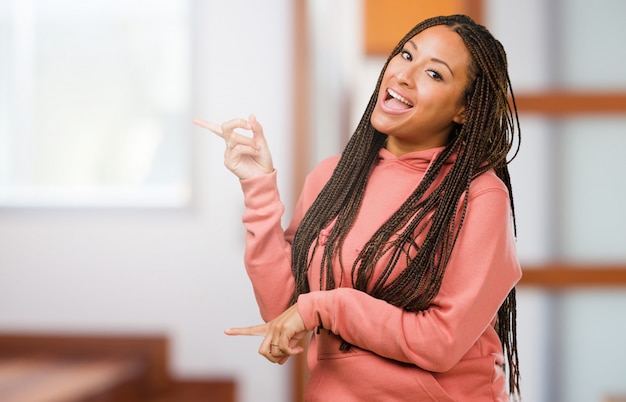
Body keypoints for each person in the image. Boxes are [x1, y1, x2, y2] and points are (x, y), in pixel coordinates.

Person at [194, 14, 522, 402]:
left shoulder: (480, 197)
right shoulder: (333, 176)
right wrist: (258, 187)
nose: (403, 75)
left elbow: (441, 341)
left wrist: (326, 308)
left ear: (464, 110)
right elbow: (284, 308)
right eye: (405, 55)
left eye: (434, 74)